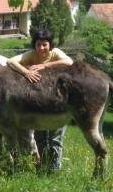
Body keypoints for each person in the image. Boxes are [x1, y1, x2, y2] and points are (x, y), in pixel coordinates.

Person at [6, 29, 73, 170]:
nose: (41, 48)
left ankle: (54, 169)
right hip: (39, 104)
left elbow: (69, 61)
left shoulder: (55, 53)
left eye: (44, 44)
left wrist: (44, 65)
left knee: (56, 139)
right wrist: (26, 72)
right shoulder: (31, 55)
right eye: (38, 45)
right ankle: (42, 167)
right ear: (34, 45)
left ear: (50, 45)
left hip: (59, 103)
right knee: (40, 138)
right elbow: (10, 61)